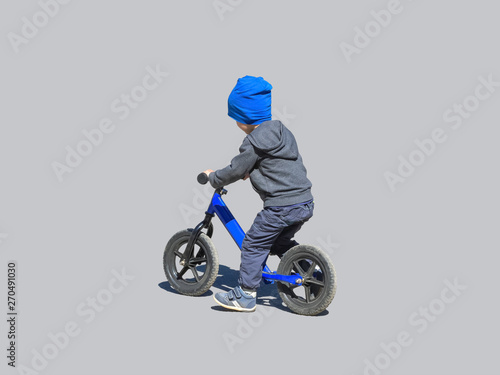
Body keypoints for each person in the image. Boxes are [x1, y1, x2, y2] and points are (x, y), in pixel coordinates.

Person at [203, 75, 314, 312]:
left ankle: (245, 294)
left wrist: (214, 177)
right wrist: (254, 170)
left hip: (280, 207)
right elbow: (281, 163)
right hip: (304, 202)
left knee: (253, 244)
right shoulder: (283, 132)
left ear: (244, 117)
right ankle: (310, 272)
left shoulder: (253, 143)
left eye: (235, 117)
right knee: (279, 242)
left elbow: (234, 169)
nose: (235, 122)